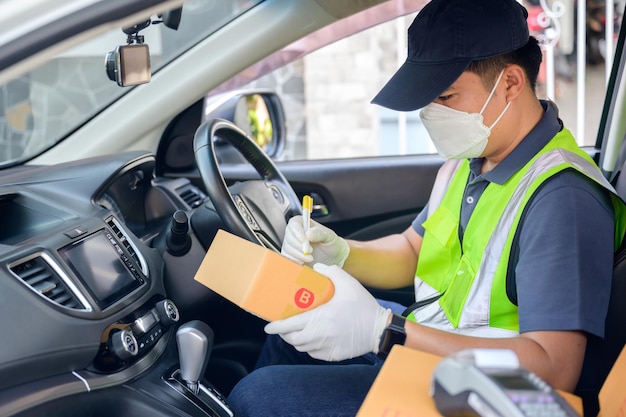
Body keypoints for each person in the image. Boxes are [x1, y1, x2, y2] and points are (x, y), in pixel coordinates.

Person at [227, 0, 626, 415]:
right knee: (292, 326)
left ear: (510, 83)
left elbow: (553, 372)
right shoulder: (469, 161)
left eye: (446, 96)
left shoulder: (562, 199)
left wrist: (385, 334)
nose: (430, 115)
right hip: (433, 345)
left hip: (487, 397)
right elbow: (414, 250)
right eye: (426, 100)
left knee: (258, 396)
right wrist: (341, 253)